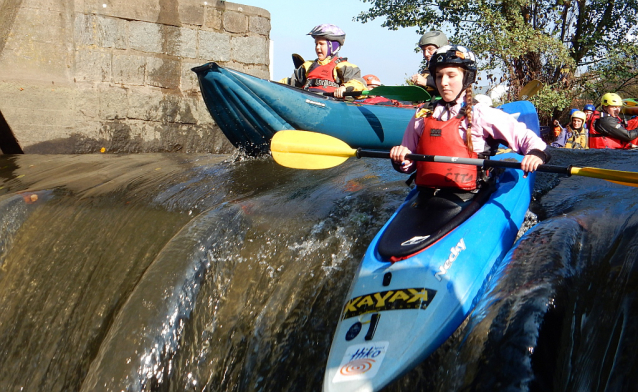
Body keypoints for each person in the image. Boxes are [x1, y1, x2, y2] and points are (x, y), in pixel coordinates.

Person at [390, 45, 549, 192]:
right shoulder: (422, 114)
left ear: (466, 78)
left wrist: (535, 154)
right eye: (439, 76)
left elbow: (528, 140)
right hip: (427, 194)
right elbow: (408, 166)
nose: (443, 82)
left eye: (451, 76)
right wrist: (401, 158)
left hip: (469, 195)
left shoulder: (481, 113)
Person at [280, 24, 366, 98]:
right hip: (307, 99)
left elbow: (359, 83)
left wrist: (344, 88)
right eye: (316, 44)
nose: (317, 47)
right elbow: (291, 82)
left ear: (333, 46)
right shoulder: (308, 66)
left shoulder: (344, 66)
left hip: (331, 104)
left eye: (321, 44)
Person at [410, 31, 449, 96]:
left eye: (430, 49)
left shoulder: (451, 67)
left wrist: (426, 82)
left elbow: (453, 85)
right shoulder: (428, 69)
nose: (426, 54)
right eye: (423, 50)